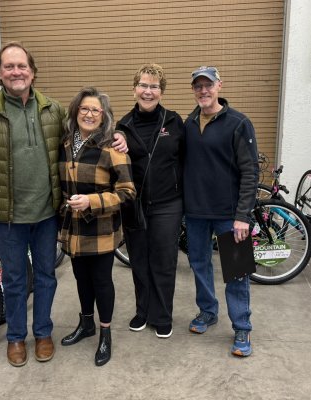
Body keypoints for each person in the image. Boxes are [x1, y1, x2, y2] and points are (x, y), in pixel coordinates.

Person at [0, 42, 127, 368]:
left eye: (22, 66)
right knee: (13, 280)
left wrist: (120, 135)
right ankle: (15, 339)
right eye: (8, 66)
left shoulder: (53, 111)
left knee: (45, 277)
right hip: (7, 217)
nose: (16, 72)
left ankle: (42, 333)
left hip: (47, 214)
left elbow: (90, 127)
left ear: (33, 72)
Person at [184, 66, 259, 357]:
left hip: (230, 214)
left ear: (219, 86)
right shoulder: (189, 123)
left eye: (208, 85)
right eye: (198, 86)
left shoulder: (238, 123)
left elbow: (250, 171)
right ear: (193, 90)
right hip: (195, 212)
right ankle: (207, 311)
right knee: (199, 264)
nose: (203, 91)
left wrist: (243, 215)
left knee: (237, 272)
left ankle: (241, 326)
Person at [58, 87, 136, 367]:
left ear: (104, 116)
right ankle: (86, 324)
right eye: (84, 109)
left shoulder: (111, 147)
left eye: (95, 110)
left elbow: (127, 192)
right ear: (75, 112)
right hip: (73, 228)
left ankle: (105, 332)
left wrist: (92, 201)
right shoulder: (66, 142)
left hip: (101, 227)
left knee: (102, 281)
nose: (89, 114)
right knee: (81, 278)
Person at [115, 64, 185, 338]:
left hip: (168, 203)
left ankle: (162, 314)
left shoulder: (174, 121)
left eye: (154, 86)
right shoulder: (123, 126)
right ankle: (143, 311)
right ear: (134, 90)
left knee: (164, 261)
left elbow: (186, 160)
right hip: (134, 204)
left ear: (161, 91)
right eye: (143, 85)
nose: (148, 91)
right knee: (139, 261)